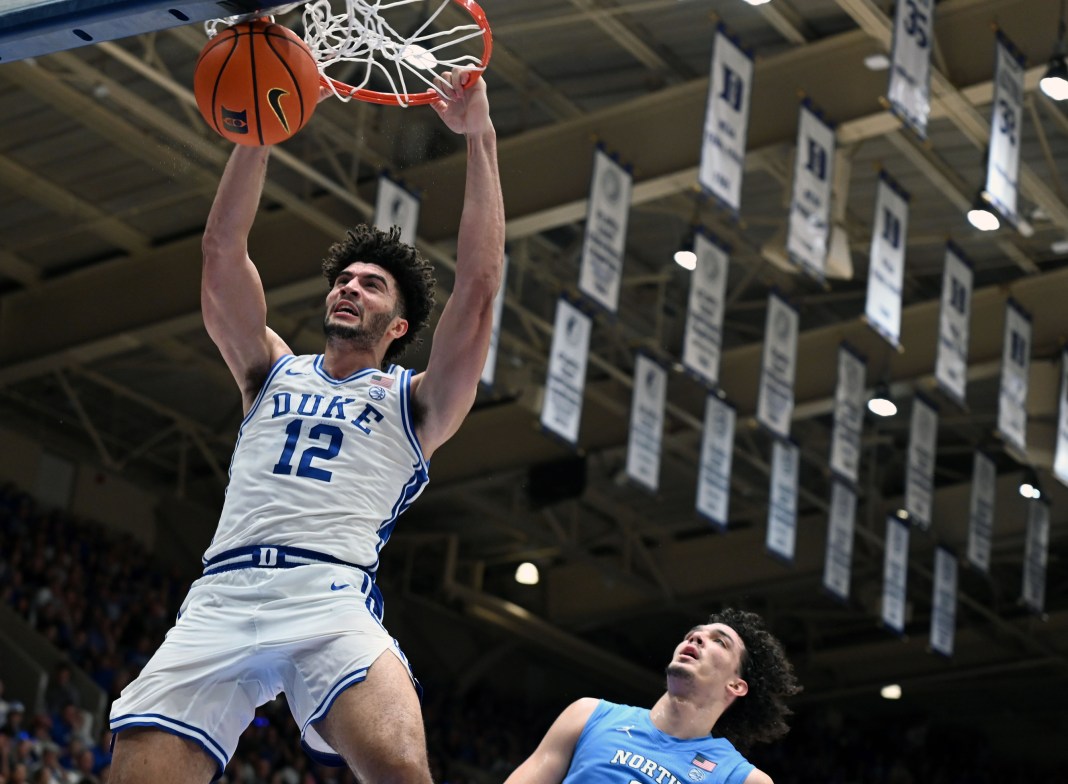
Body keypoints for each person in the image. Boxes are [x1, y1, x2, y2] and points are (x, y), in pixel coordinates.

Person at [107, 66, 504, 784]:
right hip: (221, 595)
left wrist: (480, 138)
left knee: (399, 769)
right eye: (343, 278)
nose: (349, 286)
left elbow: (477, 288)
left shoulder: (417, 401)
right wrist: (261, 129)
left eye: (370, 283)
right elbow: (221, 251)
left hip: (329, 598)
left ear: (399, 324)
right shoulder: (269, 369)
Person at [505, 608, 801, 784]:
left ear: (736, 686)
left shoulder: (739, 779)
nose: (695, 638)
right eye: (693, 634)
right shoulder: (587, 715)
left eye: (719, 642)